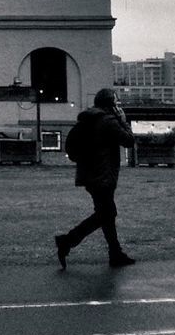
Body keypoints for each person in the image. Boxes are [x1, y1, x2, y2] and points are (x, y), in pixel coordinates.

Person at [55, 88, 137, 269]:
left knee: (106, 215)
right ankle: (67, 241)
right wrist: (123, 121)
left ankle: (115, 254)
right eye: (116, 102)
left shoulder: (89, 118)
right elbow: (129, 141)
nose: (118, 106)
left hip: (89, 174)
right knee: (107, 214)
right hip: (103, 175)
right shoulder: (108, 121)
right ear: (110, 104)